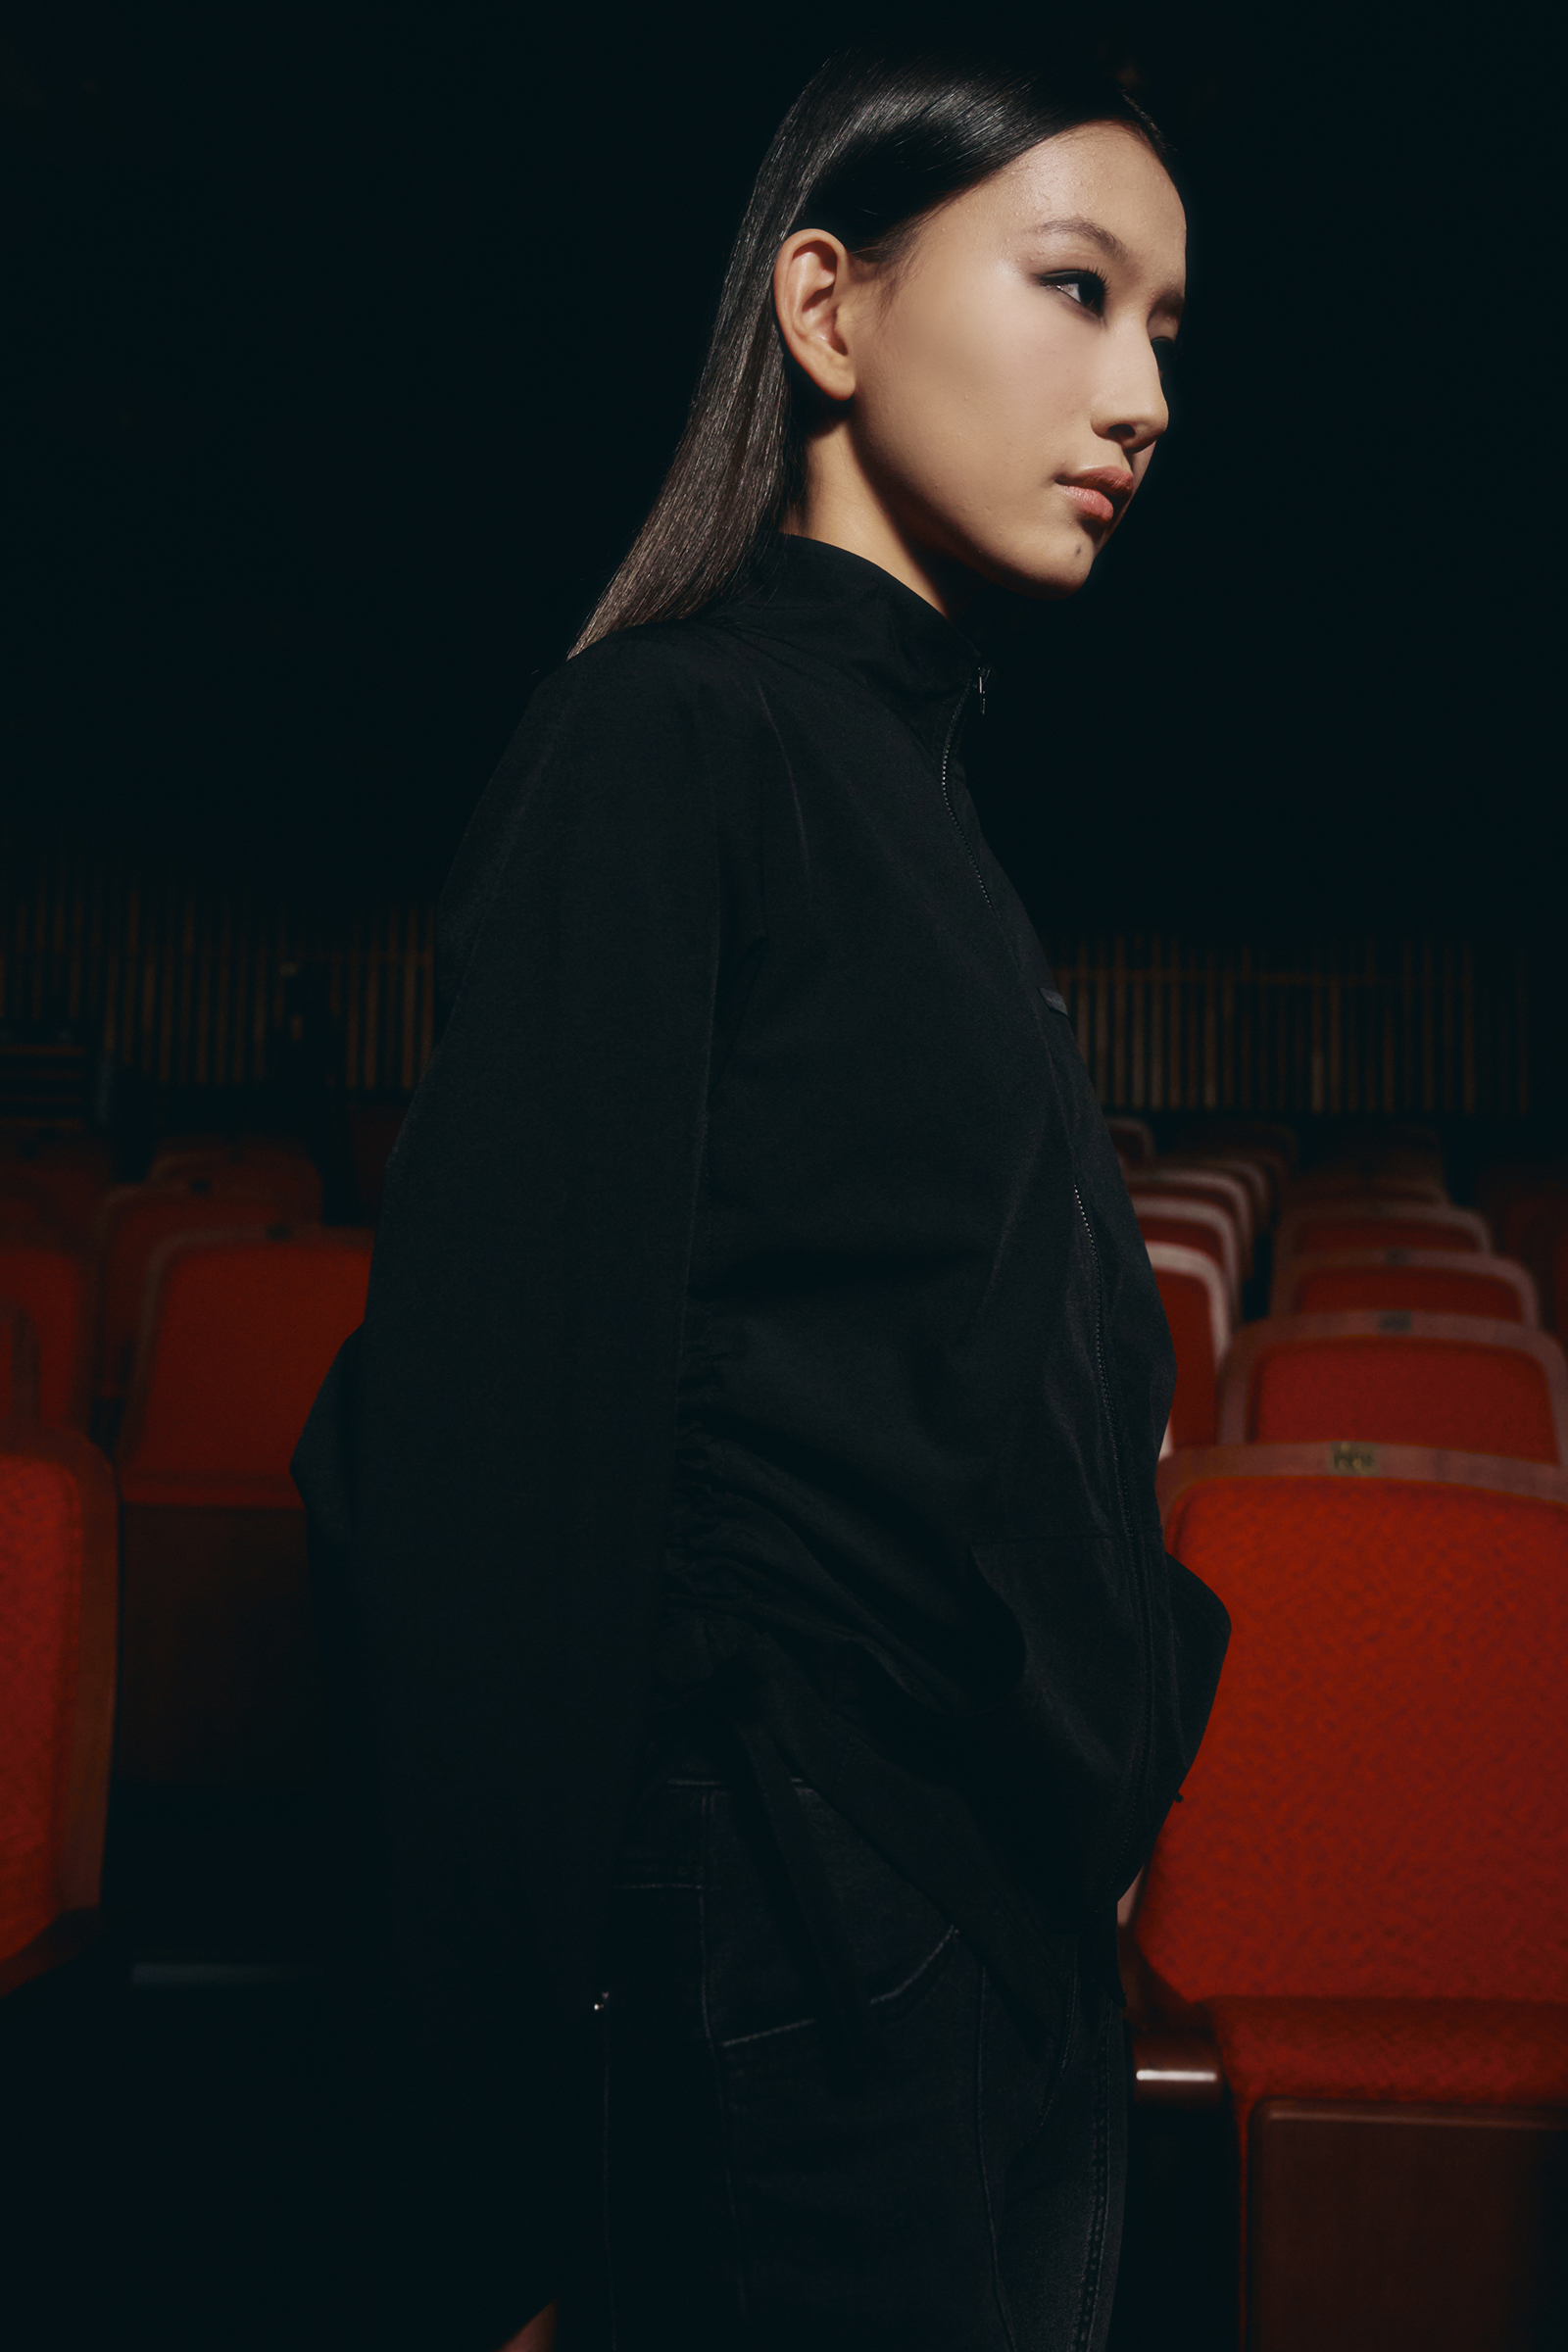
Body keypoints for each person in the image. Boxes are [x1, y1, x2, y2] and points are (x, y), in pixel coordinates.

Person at [294, 36, 1229, 2352]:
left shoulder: (920, 795)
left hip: (992, 1948)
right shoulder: (662, 739)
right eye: (1074, 288)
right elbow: (494, 1487)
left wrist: (1088, 1785)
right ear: (826, 307)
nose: (1139, 398)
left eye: (1162, 329)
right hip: (790, 1952)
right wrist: (475, 2215)